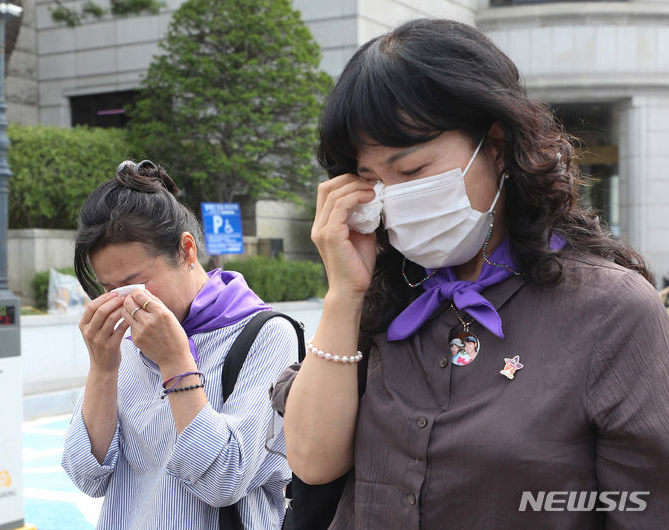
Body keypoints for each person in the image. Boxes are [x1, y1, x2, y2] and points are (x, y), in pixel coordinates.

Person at [273, 18, 669, 529]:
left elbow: (644, 510)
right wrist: (344, 294)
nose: (392, 194)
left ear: (497, 145)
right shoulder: (384, 294)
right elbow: (312, 463)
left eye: (412, 171)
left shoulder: (608, 311)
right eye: (370, 179)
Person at [62, 160, 296, 529]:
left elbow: (225, 480)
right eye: (110, 290)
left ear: (187, 251)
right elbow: (87, 476)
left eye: (135, 283)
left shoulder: (265, 334)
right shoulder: (125, 343)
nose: (125, 301)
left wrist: (176, 363)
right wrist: (103, 368)